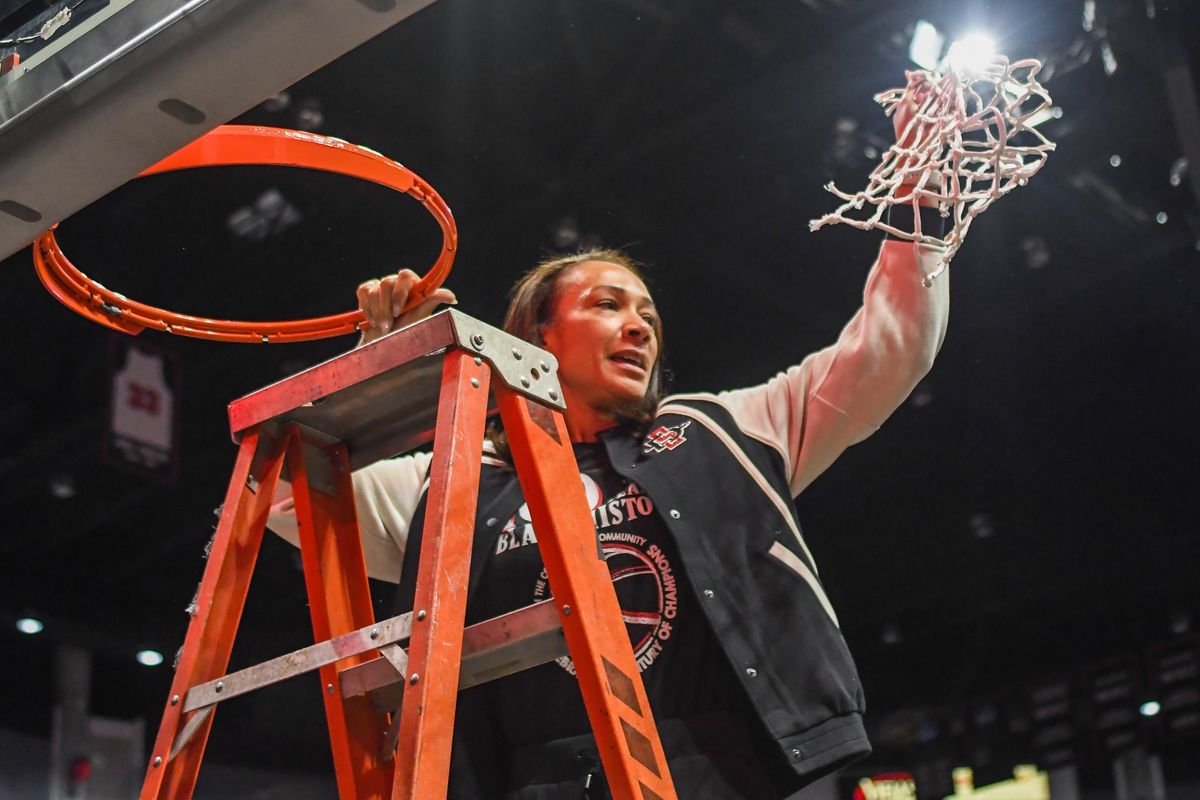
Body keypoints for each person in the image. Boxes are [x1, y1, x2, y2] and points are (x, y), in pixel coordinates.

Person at [268, 97, 949, 798]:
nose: (639, 327)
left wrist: (921, 195)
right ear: (537, 338)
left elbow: (887, 353)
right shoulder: (453, 482)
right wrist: (379, 370)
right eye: (606, 306)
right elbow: (286, 500)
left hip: (716, 774)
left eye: (647, 314)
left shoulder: (722, 428)